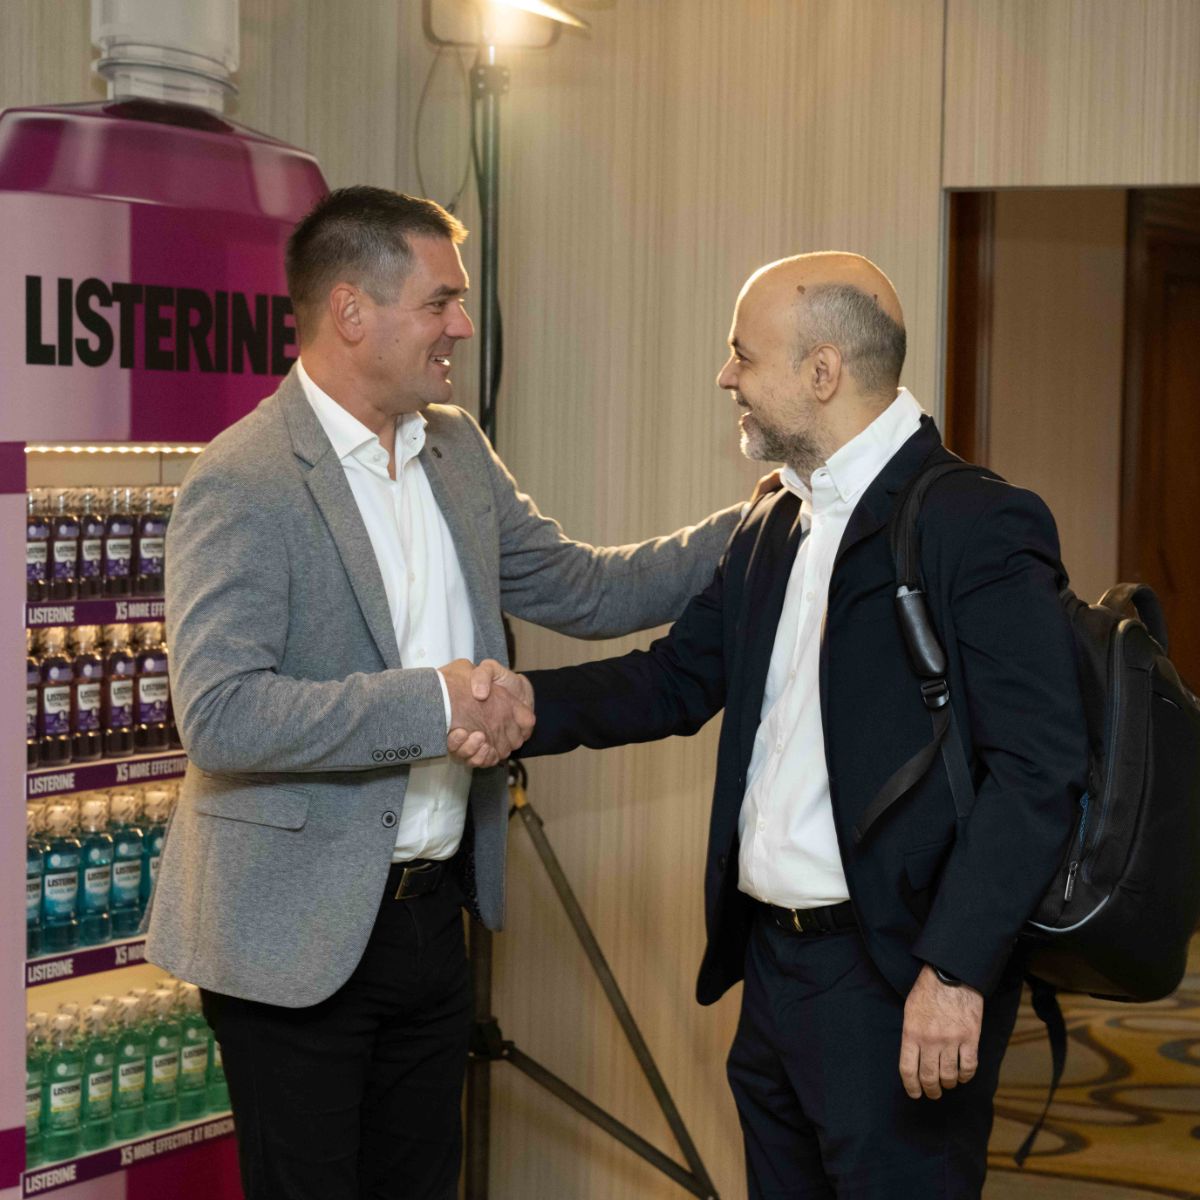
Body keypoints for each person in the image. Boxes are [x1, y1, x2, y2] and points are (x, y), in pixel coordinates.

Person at [144, 186, 751, 1200]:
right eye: (440, 302)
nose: (461, 326)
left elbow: (587, 589)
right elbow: (223, 715)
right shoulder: (243, 478)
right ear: (351, 312)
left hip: (434, 920)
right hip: (290, 941)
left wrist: (758, 519)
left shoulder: (456, 448)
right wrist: (436, 704)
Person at [454, 252, 1088, 1198]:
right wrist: (525, 708)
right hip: (775, 975)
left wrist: (955, 972)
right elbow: (677, 680)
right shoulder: (774, 519)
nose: (726, 377)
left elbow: (1039, 769)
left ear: (822, 372)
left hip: (900, 979)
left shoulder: (975, 522)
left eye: (743, 356)